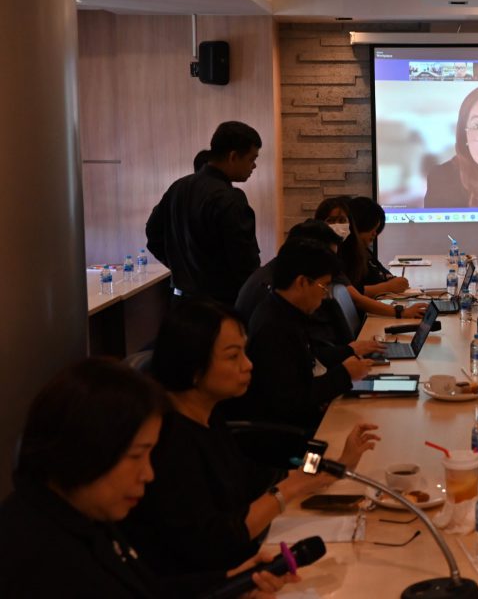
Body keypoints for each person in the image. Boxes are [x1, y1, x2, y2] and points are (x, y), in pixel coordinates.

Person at [124, 299, 378, 577]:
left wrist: (335, 466)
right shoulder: (168, 443)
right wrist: (287, 490)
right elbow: (214, 542)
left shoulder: (208, 415)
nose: (248, 365)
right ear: (193, 368)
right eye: (233, 356)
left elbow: (255, 477)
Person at [0, 360, 295, 598]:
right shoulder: (40, 564)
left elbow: (147, 589)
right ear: (86, 447)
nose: (149, 474)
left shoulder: (81, 512)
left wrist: (231, 581)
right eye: (135, 456)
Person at [223, 241, 375, 432]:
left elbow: (308, 357)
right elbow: (291, 400)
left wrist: (348, 352)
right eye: (323, 286)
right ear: (302, 282)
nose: (324, 295)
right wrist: (344, 374)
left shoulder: (284, 310)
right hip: (289, 433)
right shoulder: (274, 327)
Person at [146, 121, 262, 305]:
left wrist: (180, 267)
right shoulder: (230, 199)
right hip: (219, 308)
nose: (254, 166)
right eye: (251, 159)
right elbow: (245, 263)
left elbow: (153, 235)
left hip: (180, 302)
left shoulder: (178, 187)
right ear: (233, 156)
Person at [313, 197, 428, 322]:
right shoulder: (325, 257)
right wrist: (401, 311)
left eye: (342, 220)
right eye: (331, 221)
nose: (337, 225)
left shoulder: (358, 250)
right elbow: (356, 298)